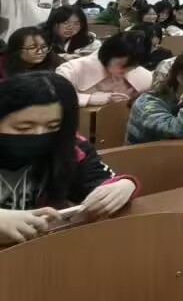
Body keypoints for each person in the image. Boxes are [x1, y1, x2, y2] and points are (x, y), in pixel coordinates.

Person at [0, 73, 138, 243]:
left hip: (43, 245)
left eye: (52, 126)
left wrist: (124, 185)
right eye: (24, 128)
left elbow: (99, 180)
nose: (39, 134)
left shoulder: (70, 148)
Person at [55, 31, 152, 107]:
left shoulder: (145, 77)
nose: (124, 71)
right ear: (108, 54)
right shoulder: (72, 70)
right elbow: (54, 96)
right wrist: (89, 99)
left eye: (131, 67)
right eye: (121, 64)